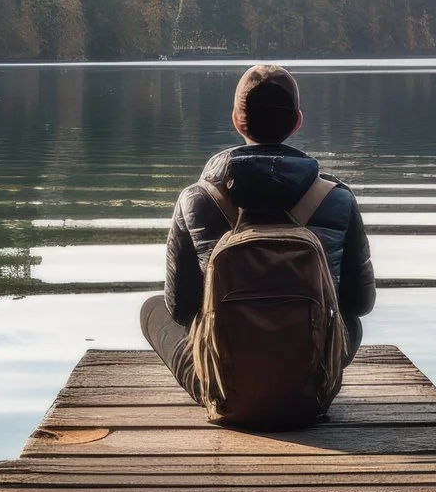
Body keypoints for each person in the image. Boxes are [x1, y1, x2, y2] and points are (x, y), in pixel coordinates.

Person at [139, 64, 375, 421]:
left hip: (223, 391)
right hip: (311, 391)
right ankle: (305, 381)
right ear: (297, 122)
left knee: (153, 309)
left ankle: (226, 383)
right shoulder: (337, 198)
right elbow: (360, 303)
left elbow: (181, 308)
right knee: (351, 321)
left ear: (236, 120)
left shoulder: (196, 199)